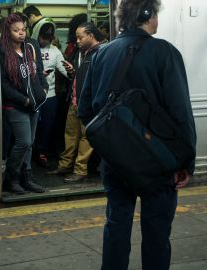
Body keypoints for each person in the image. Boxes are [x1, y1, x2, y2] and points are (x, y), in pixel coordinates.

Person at [77, 1, 196, 269]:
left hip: (116, 162)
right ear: (146, 15)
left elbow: (85, 111)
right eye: (155, 14)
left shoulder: (100, 55)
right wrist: (185, 162)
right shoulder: (164, 52)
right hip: (157, 160)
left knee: (116, 225)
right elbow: (180, 112)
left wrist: (113, 145)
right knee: (156, 233)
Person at [47, 22, 104, 183]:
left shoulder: (100, 53)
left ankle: (80, 170)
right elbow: (83, 77)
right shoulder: (83, 53)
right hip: (75, 100)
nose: (77, 41)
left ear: (91, 36)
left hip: (89, 103)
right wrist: (74, 72)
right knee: (70, 134)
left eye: (80, 37)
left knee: (86, 138)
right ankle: (65, 164)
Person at [0, 13, 46, 194]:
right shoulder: (3, 52)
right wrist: (23, 99)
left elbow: (37, 72)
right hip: (16, 105)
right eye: (16, 30)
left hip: (34, 104)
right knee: (23, 141)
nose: (21, 33)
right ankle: (11, 178)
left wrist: (42, 90)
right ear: (7, 31)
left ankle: (26, 178)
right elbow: (3, 84)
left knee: (30, 143)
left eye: (23, 30)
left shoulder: (29, 48)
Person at [34, 22, 69, 168]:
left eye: (49, 37)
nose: (46, 41)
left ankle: (42, 152)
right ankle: (32, 152)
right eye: (43, 37)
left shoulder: (55, 51)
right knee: (33, 127)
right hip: (34, 95)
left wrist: (73, 73)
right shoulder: (29, 49)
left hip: (50, 95)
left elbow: (65, 69)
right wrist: (36, 74)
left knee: (48, 126)